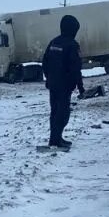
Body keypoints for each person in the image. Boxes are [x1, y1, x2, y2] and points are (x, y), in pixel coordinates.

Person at [41, 14, 83, 148]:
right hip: (64, 86)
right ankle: (56, 140)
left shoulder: (54, 42)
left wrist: (49, 77)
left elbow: (45, 62)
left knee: (54, 112)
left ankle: (55, 138)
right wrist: (80, 86)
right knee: (63, 113)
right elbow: (75, 67)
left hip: (53, 84)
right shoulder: (72, 45)